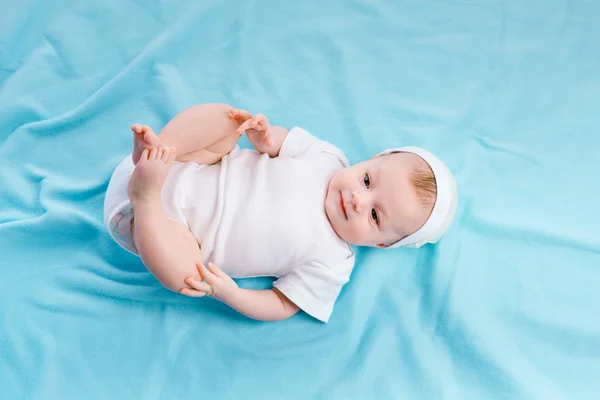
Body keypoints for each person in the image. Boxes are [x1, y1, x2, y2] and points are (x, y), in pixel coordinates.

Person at [104, 103, 458, 323]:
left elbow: (281, 304)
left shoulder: (334, 262)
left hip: (164, 231)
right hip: (187, 163)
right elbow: (281, 141)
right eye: (367, 180)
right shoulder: (328, 158)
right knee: (228, 121)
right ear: (371, 160)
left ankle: (146, 195)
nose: (357, 200)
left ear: (382, 245)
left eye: (375, 217)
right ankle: (161, 147)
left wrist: (231, 294)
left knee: (189, 277)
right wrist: (265, 138)